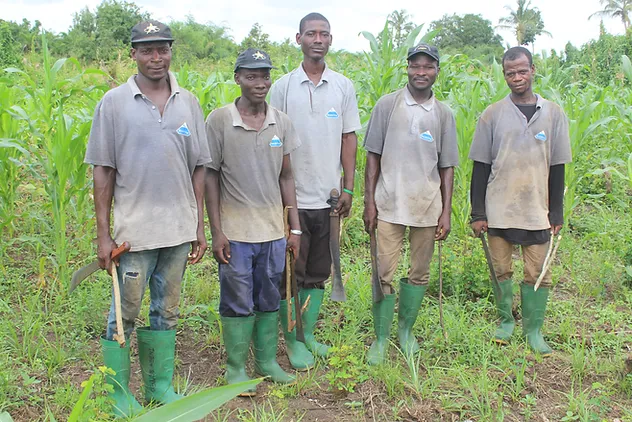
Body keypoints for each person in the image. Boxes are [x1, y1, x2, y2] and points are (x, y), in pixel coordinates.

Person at [84, 20, 211, 417]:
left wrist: (198, 226)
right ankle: (119, 393)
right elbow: (103, 170)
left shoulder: (188, 101)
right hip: (134, 235)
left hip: (177, 230)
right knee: (126, 311)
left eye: (163, 49)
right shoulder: (114, 102)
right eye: (147, 49)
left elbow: (199, 167)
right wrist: (103, 236)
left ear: (171, 51)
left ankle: (159, 387)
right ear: (134, 54)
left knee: (167, 309)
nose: (156, 57)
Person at [205, 48, 302, 395]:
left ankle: (266, 362)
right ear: (237, 78)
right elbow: (210, 177)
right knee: (236, 298)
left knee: (268, 297)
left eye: (264, 75)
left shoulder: (282, 122)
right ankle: (235, 369)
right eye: (251, 76)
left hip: (272, 231)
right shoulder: (219, 120)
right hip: (235, 231)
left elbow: (287, 177)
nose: (259, 83)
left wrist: (294, 227)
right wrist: (217, 231)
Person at [269, 12, 362, 370]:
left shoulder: (342, 86)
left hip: (328, 197)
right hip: (292, 199)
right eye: (311, 33)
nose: (318, 39)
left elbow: (348, 138)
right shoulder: (283, 87)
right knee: (290, 271)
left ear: (330, 40)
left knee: (319, 269)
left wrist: (349, 188)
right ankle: (291, 341)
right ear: (299, 39)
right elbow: (273, 140)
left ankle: (308, 335)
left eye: (324, 34)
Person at [469, 46, 572, 355]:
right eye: (510, 73)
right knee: (500, 270)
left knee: (538, 272)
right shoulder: (492, 114)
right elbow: (480, 167)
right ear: (504, 75)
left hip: (536, 210)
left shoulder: (553, 113)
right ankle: (505, 321)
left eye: (522, 70)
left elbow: (557, 167)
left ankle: (533, 330)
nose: (517, 77)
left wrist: (556, 212)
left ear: (533, 70)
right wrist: (478, 212)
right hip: (499, 208)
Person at [362, 43, 458, 365]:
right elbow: (372, 156)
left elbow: (447, 167)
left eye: (428, 67)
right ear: (407, 68)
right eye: (415, 66)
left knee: (419, 272)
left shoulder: (443, 114)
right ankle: (381, 337)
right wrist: (369, 202)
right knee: (384, 271)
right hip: (388, 202)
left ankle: (406, 331)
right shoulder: (387, 105)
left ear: (437, 72)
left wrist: (445, 211)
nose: (421, 72)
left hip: (426, 207)